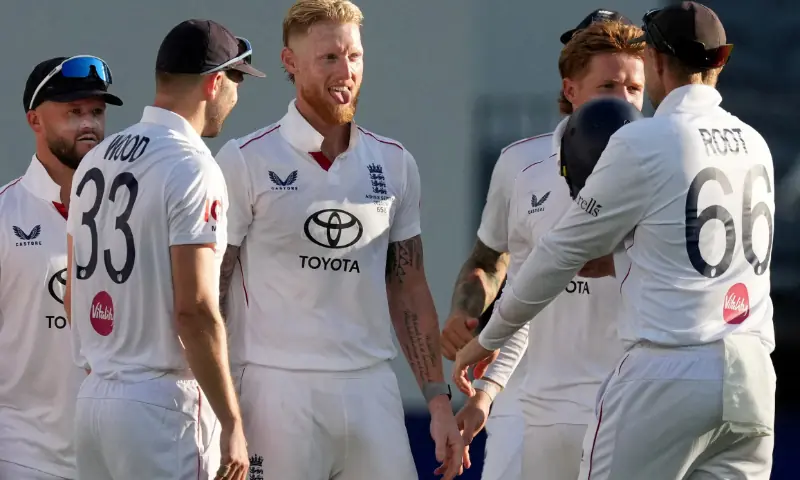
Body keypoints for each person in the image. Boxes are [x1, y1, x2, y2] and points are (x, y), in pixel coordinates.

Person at [455, 2, 777, 479]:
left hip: (667, 371)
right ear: (720, 61)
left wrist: (485, 339)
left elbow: (559, 254)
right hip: (751, 373)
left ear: (658, 64)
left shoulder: (645, 141)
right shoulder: (755, 142)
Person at [214, 1, 465, 479]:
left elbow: (409, 288)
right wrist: (221, 409)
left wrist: (437, 401)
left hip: (372, 391)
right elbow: (211, 292)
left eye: (354, 56)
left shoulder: (395, 163)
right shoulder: (244, 160)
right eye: (329, 57)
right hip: (274, 391)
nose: (345, 71)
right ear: (290, 63)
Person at [65, 19, 265, 480]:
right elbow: (195, 308)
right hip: (160, 409)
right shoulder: (192, 165)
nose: (236, 97)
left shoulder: (97, 158)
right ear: (216, 83)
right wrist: (232, 423)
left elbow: (76, 292)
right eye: (236, 82)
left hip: (94, 400)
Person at [446, 18, 644, 480]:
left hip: (625, 398)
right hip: (526, 398)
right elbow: (496, 265)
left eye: (634, 88)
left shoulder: (662, 169)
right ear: (570, 90)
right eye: (608, 85)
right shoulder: (519, 163)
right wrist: (465, 312)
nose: (623, 100)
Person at [0, 55, 122, 480]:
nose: (89, 123)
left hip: (116, 457)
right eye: (73, 112)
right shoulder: (3, 215)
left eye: (97, 111)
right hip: (23, 456)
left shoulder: (128, 213)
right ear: (35, 120)